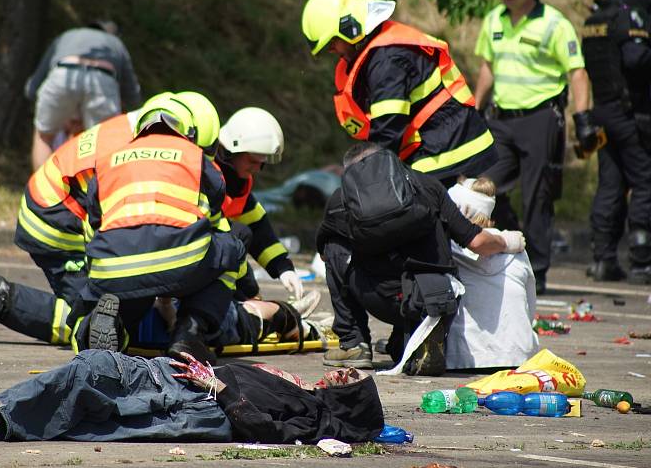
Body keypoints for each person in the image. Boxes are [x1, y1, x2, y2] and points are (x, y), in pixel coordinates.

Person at [316, 142, 525, 373]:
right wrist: (508, 241)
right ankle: (413, 339)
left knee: (334, 247)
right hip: (430, 296)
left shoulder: (341, 199)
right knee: (418, 274)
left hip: (379, 296)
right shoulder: (427, 184)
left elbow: (325, 255)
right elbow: (476, 242)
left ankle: (353, 344)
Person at [69, 95, 246, 364]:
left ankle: (102, 325)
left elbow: (94, 216)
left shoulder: (108, 159)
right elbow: (216, 205)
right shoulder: (195, 157)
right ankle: (189, 333)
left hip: (112, 266)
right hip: (181, 261)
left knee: (132, 286)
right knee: (232, 246)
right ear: (188, 128)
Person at [0, 351, 383, 445]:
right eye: (344, 371)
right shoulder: (299, 387)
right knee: (86, 389)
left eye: (349, 380)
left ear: (348, 402)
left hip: (189, 400)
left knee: (90, 375)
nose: (339, 374)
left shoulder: (313, 417)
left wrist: (218, 387)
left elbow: (267, 429)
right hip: (182, 381)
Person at [473, 0, 596, 294]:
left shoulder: (554, 24)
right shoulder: (494, 20)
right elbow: (487, 68)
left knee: (537, 196)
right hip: (502, 119)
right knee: (484, 186)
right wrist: (473, 108)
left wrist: (583, 118)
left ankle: (537, 269)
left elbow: (577, 73)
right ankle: (513, 241)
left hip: (540, 119)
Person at [0, 110, 138, 347]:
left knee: (99, 315)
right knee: (97, 319)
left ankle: (2, 297)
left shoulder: (139, 129)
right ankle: (95, 360)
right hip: (59, 218)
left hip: (55, 206)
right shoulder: (150, 151)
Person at [301, 0, 496, 186]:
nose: (332, 50)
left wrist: (370, 178)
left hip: (453, 156)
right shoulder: (378, 50)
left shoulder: (386, 60)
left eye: (332, 42)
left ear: (350, 27)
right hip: (446, 149)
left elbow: (388, 128)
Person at [581, 0, 651, 283]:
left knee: (611, 183)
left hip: (603, 110)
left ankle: (603, 258)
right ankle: (641, 259)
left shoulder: (598, 15)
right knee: (645, 180)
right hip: (629, 112)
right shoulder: (631, 13)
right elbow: (636, 59)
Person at [444, 177, 540, 370]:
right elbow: (529, 306)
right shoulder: (516, 246)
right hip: (517, 356)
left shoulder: (446, 247)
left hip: (461, 357)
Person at [26, 21, 142, 170]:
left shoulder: (66, 36)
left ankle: (42, 191)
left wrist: (34, 97)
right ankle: (100, 191)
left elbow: (34, 84)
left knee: (44, 136)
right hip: (102, 79)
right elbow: (132, 94)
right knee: (105, 143)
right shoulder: (115, 43)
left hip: (63, 75)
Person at [216, 107, 303, 301]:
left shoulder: (239, 184)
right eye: (252, 161)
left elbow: (259, 229)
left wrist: (283, 268)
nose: (257, 169)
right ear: (230, 152)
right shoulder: (207, 177)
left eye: (262, 163)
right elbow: (231, 240)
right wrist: (251, 293)